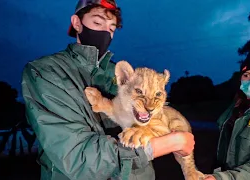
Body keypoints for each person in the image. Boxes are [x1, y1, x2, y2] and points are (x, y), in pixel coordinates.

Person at [21, 1, 195, 179]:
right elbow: (78, 159)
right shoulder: (45, 72)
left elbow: (146, 117)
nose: (105, 33)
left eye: (111, 28)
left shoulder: (117, 73)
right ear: (76, 23)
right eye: (97, 23)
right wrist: (168, 143)